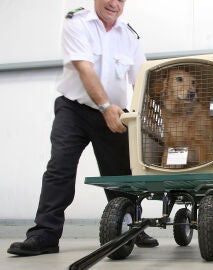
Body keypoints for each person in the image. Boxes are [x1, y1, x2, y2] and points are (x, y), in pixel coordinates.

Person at [8, 0, 158, 256]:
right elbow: (84, 68)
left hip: (115, 114)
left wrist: (144, 119)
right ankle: (44, 235)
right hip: (74, 109)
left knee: (121, 176)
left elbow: (140, 81)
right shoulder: (77, 22)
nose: (113, 3)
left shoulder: (129, 36)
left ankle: (131, 227)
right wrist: (105, 106)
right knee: (60, 168)